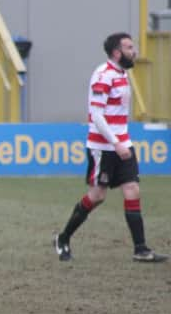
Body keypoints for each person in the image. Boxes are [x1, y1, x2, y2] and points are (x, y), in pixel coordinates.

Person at [54, 33, 167, 263]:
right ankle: (63, 238)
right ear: (117, 52)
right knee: (97, 196)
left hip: (123, 143)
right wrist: (115, 143)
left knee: (132, 190)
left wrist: (121, 142)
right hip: (103, 147)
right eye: (129, 47)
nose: (134, 51)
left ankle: (141, 249)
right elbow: (96, 114)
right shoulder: (103, 75)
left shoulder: (122, 74)